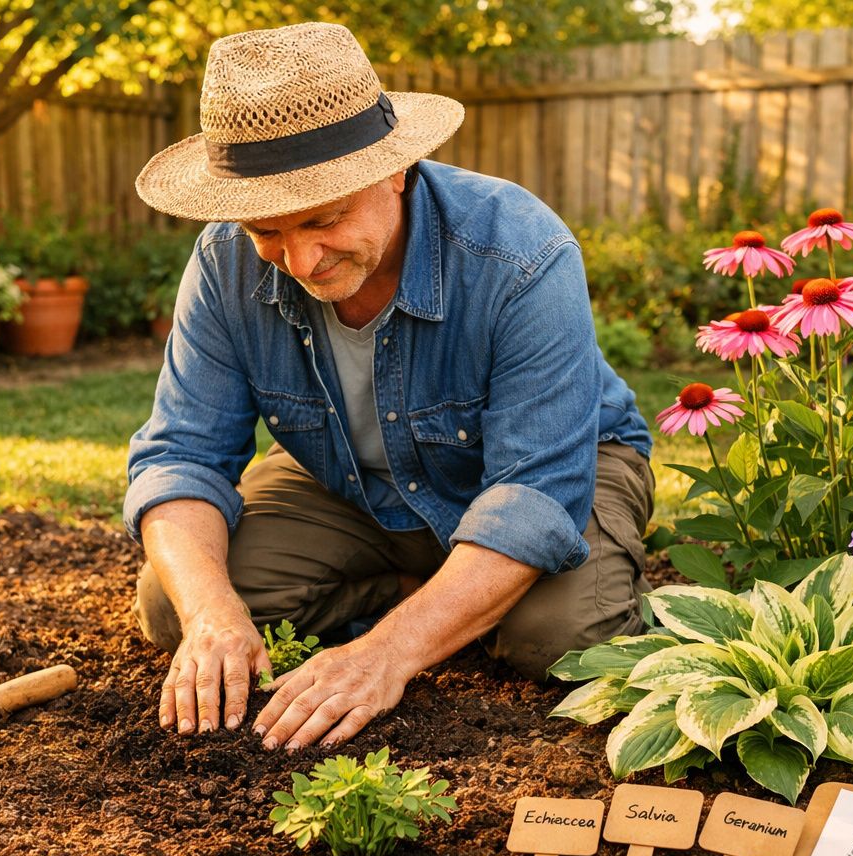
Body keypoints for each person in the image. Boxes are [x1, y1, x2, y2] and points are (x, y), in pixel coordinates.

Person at [125, 21, 653, 752]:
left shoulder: (520, 253)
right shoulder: (223, 264)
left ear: (395, 169)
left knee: (560, 639)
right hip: (350, 479)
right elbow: (180, 456)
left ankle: (462, 604)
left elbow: (536, 492)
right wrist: (214, 612)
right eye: (266, 232)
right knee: (172, 605)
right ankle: (434, 597)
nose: (302, 260)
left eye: (324, 218)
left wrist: (385, 656)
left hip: (563, 465)